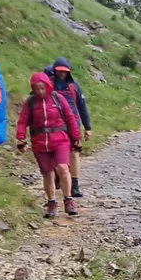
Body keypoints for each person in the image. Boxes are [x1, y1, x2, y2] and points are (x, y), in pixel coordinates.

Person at [16, 69, 83, 218]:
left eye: (42, 88)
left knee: (63, 168)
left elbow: (70, 118)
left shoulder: (58, 99)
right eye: (36, 88)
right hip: (40, 143)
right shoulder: (30, 103)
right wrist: (20, 138)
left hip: (60, 140)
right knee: (47, 173)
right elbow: (22, 121)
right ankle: (52, 202)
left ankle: (68, 200)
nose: (40, 91)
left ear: (47, 86)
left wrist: (76, 136)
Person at [47, 58, 92, 197]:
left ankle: (74, 185)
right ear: (55, 71)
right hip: (54, 125)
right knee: (55, 153)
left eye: (65, 72)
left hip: (73, 124)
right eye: (59, 71)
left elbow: (82, 107)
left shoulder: (74, 86)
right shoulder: (48, 85)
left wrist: (87, 127)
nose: (62, 74)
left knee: (74, 154)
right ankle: (59, 177)